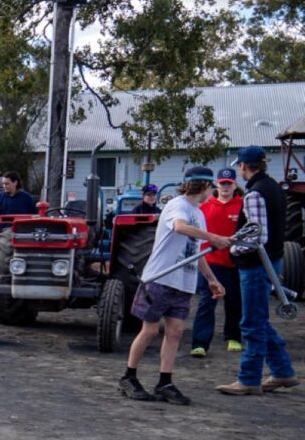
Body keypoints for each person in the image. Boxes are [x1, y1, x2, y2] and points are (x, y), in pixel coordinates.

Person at [120, 165, 231, 405]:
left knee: (175, 332)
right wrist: (213, 237)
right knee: (149, 331)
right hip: (160, 278)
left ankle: (165, 382)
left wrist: (212, 279)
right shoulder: (178, 205)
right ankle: (129, 377)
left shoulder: (199, 213)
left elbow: (195, 251)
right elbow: (180, 227)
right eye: (211, 185)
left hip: (183, 282)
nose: (213, 190)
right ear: (202, 185)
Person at [217, 146, 297, 395]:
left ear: (244, 166)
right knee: (260, 319)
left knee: (251, 322)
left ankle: (249, 379)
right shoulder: (274, 187)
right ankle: (283, 372)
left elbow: (257, 236)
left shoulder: (254, 194)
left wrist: (233, 248)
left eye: (240, 165)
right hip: (271, 260)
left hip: (255, 265)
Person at [190, 166, 244, 357]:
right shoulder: (205, 206)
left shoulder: (242, 206)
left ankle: (233, 337)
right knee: (207, 301)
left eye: (229, 184)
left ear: (235, 185)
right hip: (210, 262)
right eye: (222, 184)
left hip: (234, 262)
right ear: (217, 185)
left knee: (235, 301)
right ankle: (200, 343)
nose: (226, 187)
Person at [0, 171, 37, 251]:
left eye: (7, 184)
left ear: (15, 183)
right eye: (3, 184)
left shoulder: (27, 199)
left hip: (22, 235)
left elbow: (34, 218)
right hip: (1, 236)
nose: (4, 186)